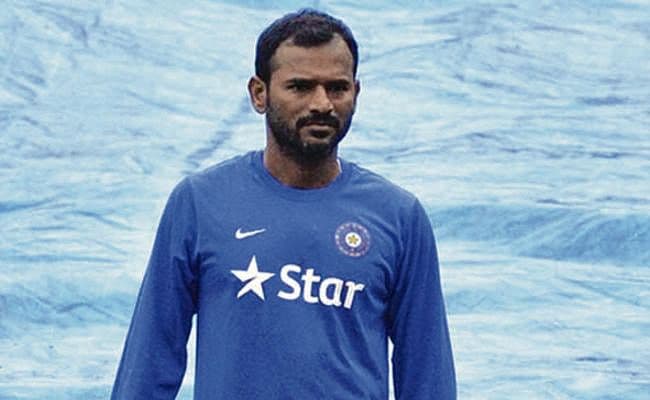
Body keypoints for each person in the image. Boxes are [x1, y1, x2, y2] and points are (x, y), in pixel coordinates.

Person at [111, 8, 456, 400]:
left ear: (356, 93)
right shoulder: (200, 203)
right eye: (300, 87)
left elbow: (428, 375)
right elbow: (150, 359)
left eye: (337, 88)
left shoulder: (398, 217)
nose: (322, 103)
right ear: (259, 94)